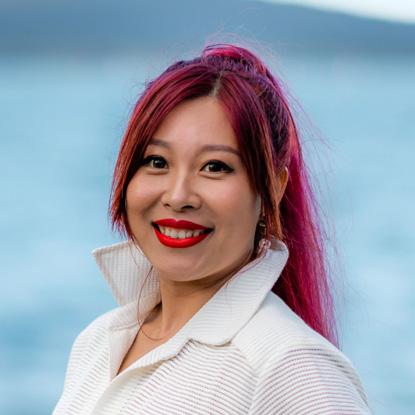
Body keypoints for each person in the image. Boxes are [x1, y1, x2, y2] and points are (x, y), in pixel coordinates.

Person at [52, 43, 372, 414]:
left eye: (215, 167)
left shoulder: (291, 367)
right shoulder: (98, 341)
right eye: (156, 161)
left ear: (272, 188)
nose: (178, 196)